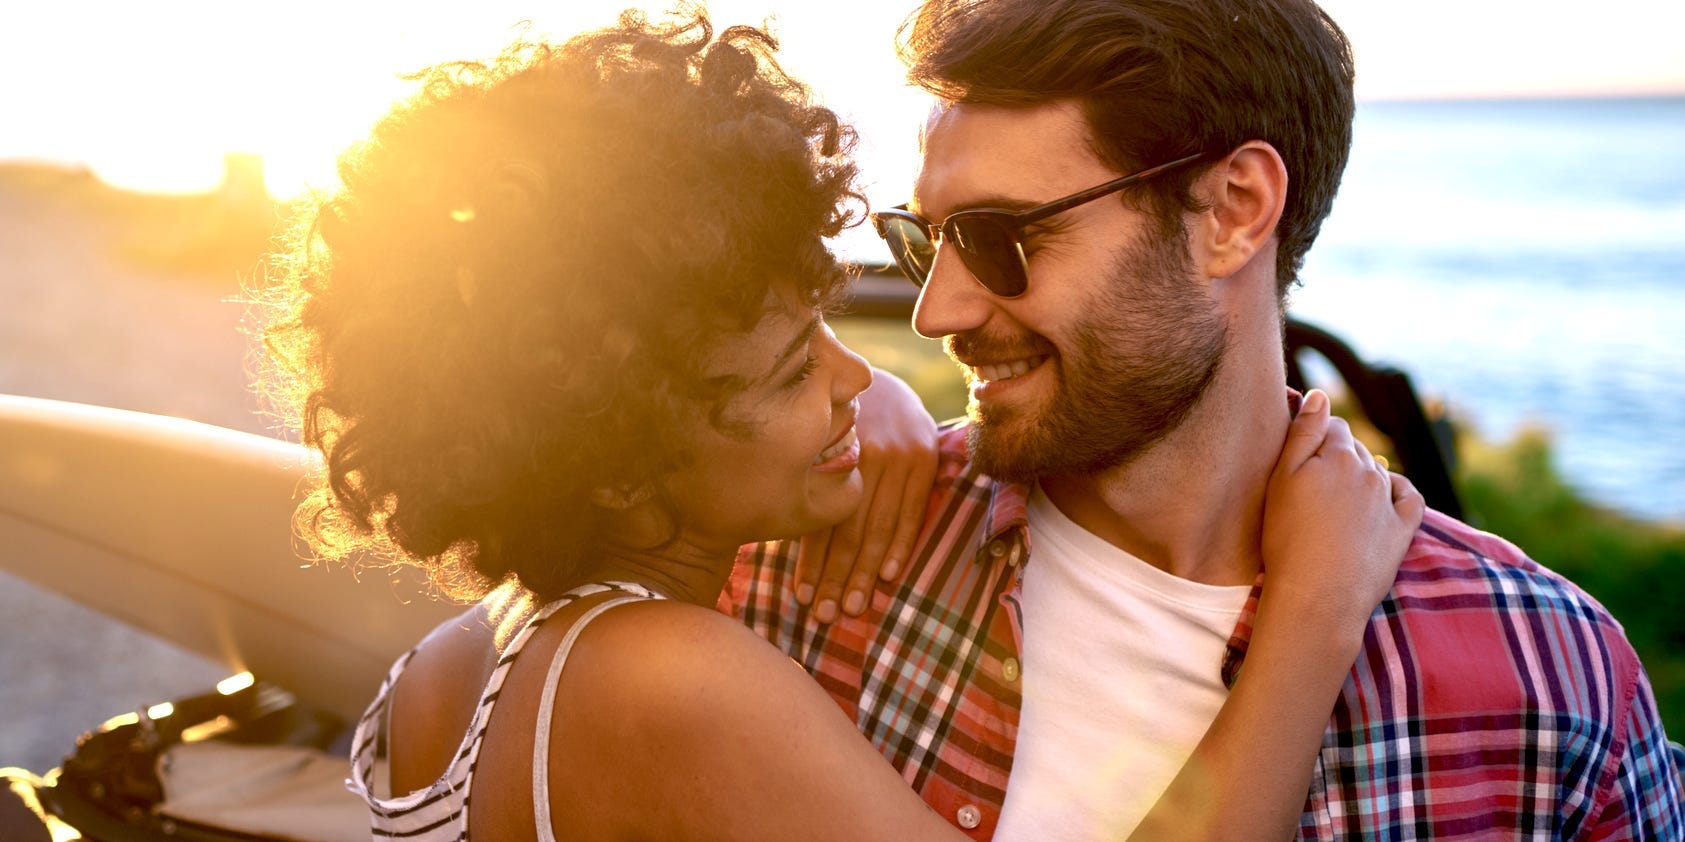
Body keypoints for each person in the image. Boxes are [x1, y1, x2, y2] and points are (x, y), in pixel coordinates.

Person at [258, 8, 1427, 841]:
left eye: (826, 325)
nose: (854, 376)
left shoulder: (465, 662)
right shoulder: (674, 679)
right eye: (785, 372)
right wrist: (1313, 618)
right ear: (614, 465)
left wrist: (860, 401)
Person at [729, 0, 1685, 838]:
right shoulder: (820, 562)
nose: (936, 311)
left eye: (999, 238)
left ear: (1233, 211)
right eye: (928, 238)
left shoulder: (1547, 683)